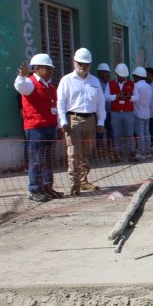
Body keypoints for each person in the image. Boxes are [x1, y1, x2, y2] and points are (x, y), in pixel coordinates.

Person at [56, 48, 105, 196]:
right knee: (73, 153)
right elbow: (61, 103)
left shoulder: (94, 81)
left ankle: (84, 181)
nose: (83, 67)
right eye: (81, 64)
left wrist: (101, 121)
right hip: (74, 119)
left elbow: (100, 103)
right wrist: (63, 121)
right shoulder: (67, 80)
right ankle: (74, 184)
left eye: (86, 64)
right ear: (74, 62)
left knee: (86, 152)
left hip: (90, 119)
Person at [14, 53, 63, 202]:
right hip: (36, 128)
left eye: (51, 69)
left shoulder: (50, 87)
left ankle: (47, 187)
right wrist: (21, 77)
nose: (50, 71)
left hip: (49, 127)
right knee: (36, 159)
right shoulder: (30, 83)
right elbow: (20, 86)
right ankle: (34, 189)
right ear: (37, 69)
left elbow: (56, 107)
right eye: (47, 68)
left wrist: (59, 126)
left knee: (48, 159)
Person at [105, 63, 139, 163]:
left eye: (125, 76)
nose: (123, 78)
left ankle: (131, 152)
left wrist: (129, 97)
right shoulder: (110, 84)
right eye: (121, 76)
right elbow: (105, 96)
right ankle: (118, 152)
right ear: (117, 74)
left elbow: (137, 97)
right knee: (117, 134)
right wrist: (116, 96)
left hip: (128, 112)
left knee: (129, 134)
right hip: (116, 112)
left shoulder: (132, 84)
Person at [132, 67, 152, 159]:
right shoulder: (148, 86)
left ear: (138, 76)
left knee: (140, 135)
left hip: (138, 114)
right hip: (147, 114)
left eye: (134, 76)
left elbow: (132, 98)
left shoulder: (136, 86)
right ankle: (147, 150)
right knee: (146, 133)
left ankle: (141, 152)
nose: (133, 78)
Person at [95, 62, 112, 158]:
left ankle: (109, 148)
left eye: (108, 73)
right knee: (100, 132)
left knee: (110, 130)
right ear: (100, 73)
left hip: (109, 111)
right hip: (99, 112)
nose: (107, 75)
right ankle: (99, 150)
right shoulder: (97, 83)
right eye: (105, 73)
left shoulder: (109, 83)